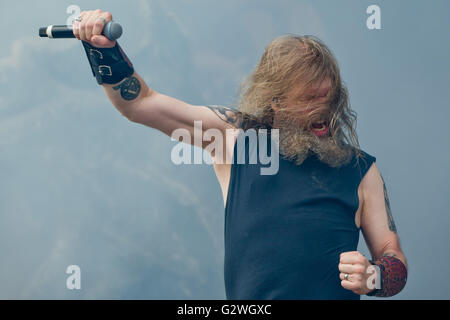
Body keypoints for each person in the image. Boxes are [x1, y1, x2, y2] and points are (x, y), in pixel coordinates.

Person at [73, 9, 408, 299]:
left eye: (329, 96)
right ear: (275, 102)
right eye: (308, 99)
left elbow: (394, 257)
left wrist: (374, 277)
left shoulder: (362, 170)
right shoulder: (235, 137)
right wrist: (104, 50)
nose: (324, 110)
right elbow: (140, 103)